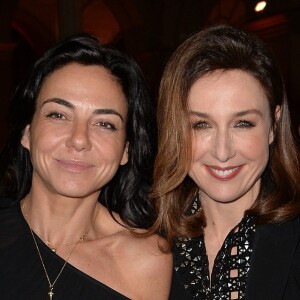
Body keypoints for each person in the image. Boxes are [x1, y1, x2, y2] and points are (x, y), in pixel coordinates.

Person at [0, 33, 172, 299]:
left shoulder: (147, 260)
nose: (79, 139)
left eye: (105, 124)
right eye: (58, 115)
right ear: (27, 132)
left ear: (126, 150)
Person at [151, 24, 300, 300]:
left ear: (273, 125)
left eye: (242, 123)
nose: (222, 152)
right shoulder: (144, 241)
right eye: (201, 124)